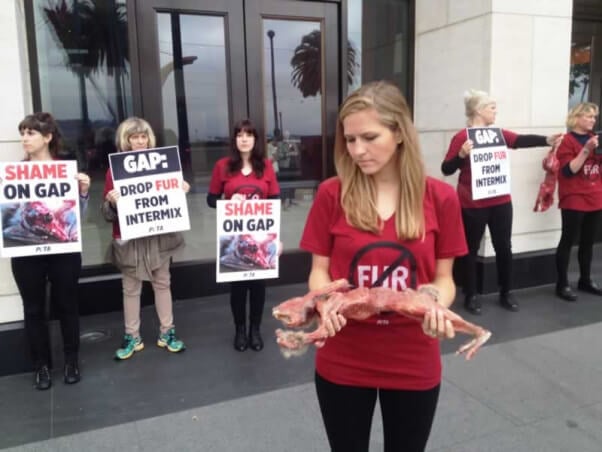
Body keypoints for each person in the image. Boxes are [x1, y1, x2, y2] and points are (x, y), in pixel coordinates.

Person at [300, 81, 467, 452]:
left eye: (369, 137)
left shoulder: (441, 198)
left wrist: (436, 304)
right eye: (350, 139)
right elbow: (318, 271)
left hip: (413, 358)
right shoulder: (332, 193)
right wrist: (324, 300)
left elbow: (444, 279)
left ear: (400, 133)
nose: (357, 150)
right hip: (343, 357)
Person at [441, 89, 562, 315]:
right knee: (470, 249)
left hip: (500, 201)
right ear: (479, 110)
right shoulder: (462, 137)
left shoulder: (496, 134)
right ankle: (471, 294)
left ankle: (506, 291)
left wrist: (546, 140)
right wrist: (461, 155)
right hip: (472, 204)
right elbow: (446, 169)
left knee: (504, 247)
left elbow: (518, 140)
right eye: (492, 107)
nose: (495, 111)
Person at [11, 112, 91, 390]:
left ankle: (71, 360)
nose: (24, 138)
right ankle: (41, 366)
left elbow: (76, 217)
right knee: (33, 309)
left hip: (63, 248)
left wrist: (82, 193)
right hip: (26, 250)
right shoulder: (13, 173)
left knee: (67, 305)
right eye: (22, 132)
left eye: (30, 133)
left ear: (47, 137)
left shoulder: (66, 170)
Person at [102, 117, 187, 360]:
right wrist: (112, 202)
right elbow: (106, 213)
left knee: (163, 282)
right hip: (129, 237)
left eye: (143, 136)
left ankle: (167, 332)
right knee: (130, 288)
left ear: (149, 139)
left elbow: (171, 201)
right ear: (125, 140)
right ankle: (132, 336)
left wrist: (180, 191)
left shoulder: (163, 165)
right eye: (134, 137)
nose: (139, 141)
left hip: (157, 234)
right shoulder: (113, 169)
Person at [207, 119, 280, 352]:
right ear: (234, 140)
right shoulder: (223, 166)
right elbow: (210, 199)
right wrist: (227, 201)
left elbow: (275, 201)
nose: (244, 139)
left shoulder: (267, 166)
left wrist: (275, 238)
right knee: (237, 287)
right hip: (234, 236)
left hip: (260, 236)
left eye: (249, 135)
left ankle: (255, 330)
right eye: (239, 135)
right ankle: (240, 331)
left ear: (256, 140)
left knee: (258, 286)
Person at [554, 102, 602, 302]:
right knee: (568, 239)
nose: (593, 120)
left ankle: (585, 279)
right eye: (589, 116)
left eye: (594, 117)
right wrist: (586, 150)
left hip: (595, 195)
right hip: (574, 196)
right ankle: (562, 283)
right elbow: (568, 170)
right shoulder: (567, 141)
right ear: (577, 118)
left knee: (588, 242)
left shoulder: (595, 138)